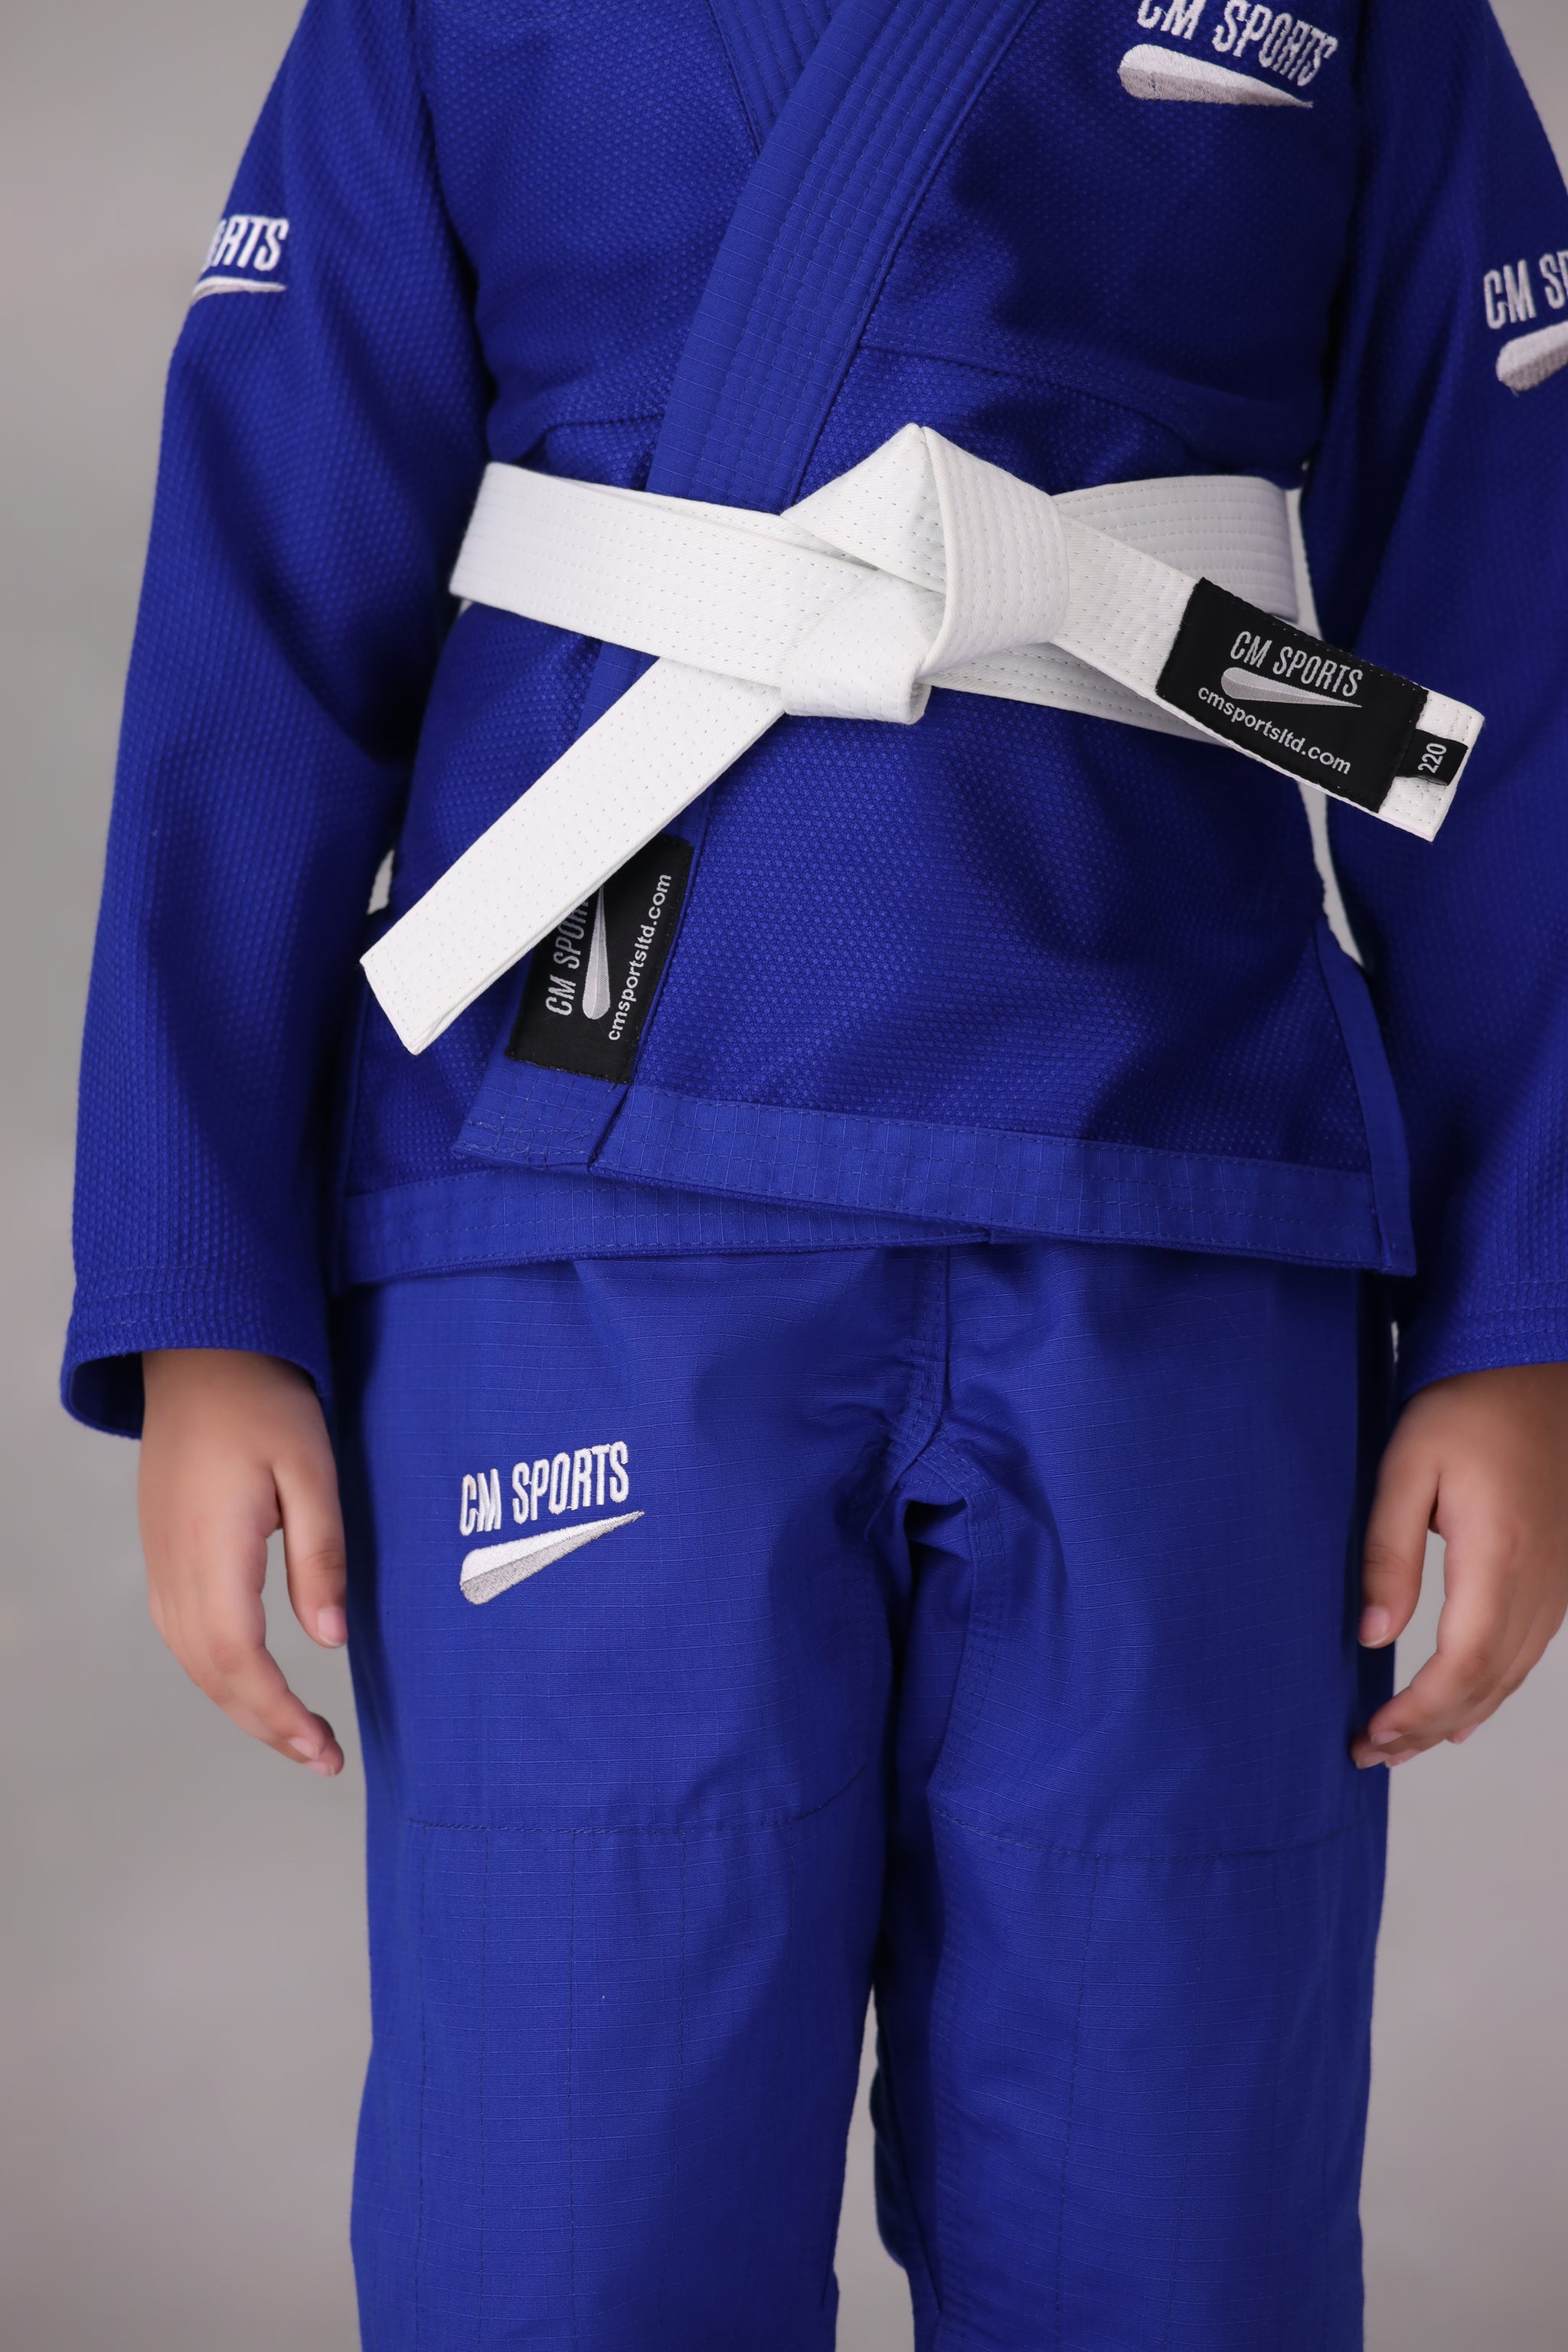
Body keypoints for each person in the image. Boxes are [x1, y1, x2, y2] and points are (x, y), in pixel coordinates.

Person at [66, 0, 1568, 2342]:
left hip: (1185, 1219)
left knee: (1173, 2257)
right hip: (578, 1216)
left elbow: (1514, 623)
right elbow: (256, 622)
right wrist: (201, 1299)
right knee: (576, 2252)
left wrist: (1522, 1315)